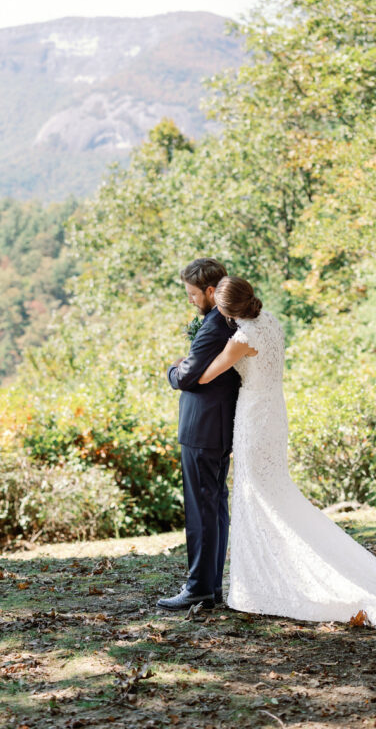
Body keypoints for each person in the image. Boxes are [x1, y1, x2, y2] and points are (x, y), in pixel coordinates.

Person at [197, 275, 376, 635]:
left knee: (257, 494)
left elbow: (207, 375)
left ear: (226, 310)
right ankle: (266, 578)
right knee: (275, 494)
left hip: (255, 417)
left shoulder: (242, 338)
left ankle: (260, 586)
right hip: (273, 412)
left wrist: (183, 364)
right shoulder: (269, 321)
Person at [156, 258, 246, 612]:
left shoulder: (213, 326)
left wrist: (173, 369)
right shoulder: (227, 320)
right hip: (215, 427)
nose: (191, 299)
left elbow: (186, 376)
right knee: (214, 507)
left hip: (204, 428)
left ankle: (199, 587)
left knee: (202, 510)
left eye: (193, 294)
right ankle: (209, 585)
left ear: (211, 291)